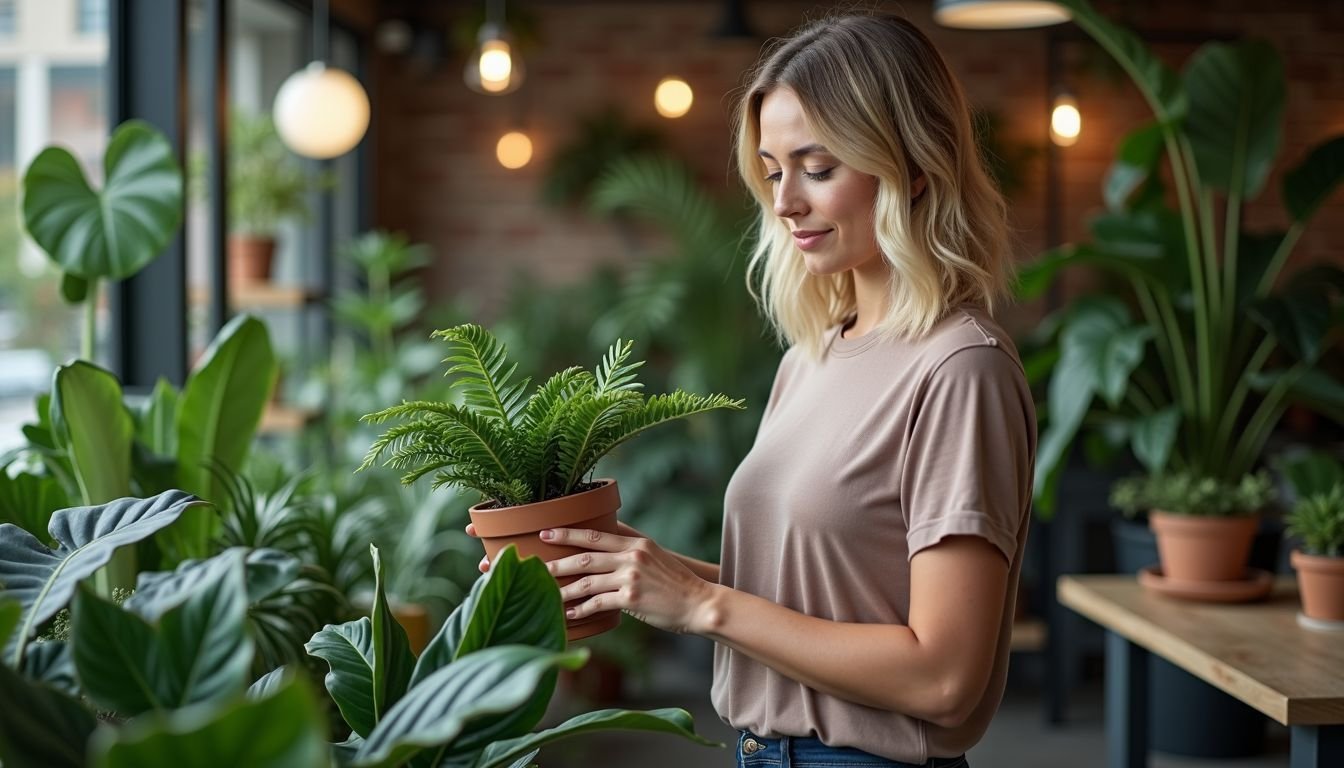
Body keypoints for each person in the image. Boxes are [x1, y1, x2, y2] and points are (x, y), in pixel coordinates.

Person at [471, 13, 1035, 768]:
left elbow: (943, 677)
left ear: (915, 165)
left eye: (819, 167)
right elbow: (812, 596)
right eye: (773, 171)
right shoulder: (812, 356)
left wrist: (704, 604)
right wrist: (646, 571)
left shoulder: (960, 370)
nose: (786, 201)